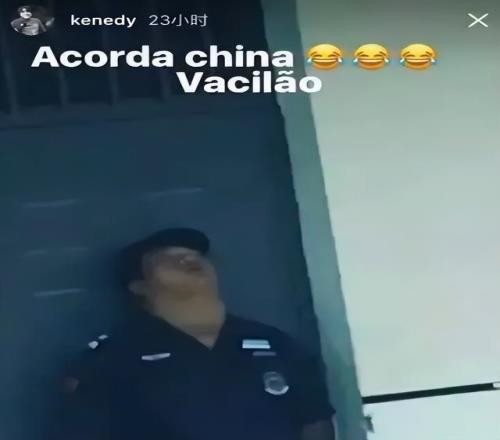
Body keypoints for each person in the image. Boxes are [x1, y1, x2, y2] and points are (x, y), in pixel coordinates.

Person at [53, 228, 336, 440]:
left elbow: (315, 422)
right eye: (168, 259)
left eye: (196, 255)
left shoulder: (278, 345)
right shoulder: (112, 357)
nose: (188, 258)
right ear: (139, 285)